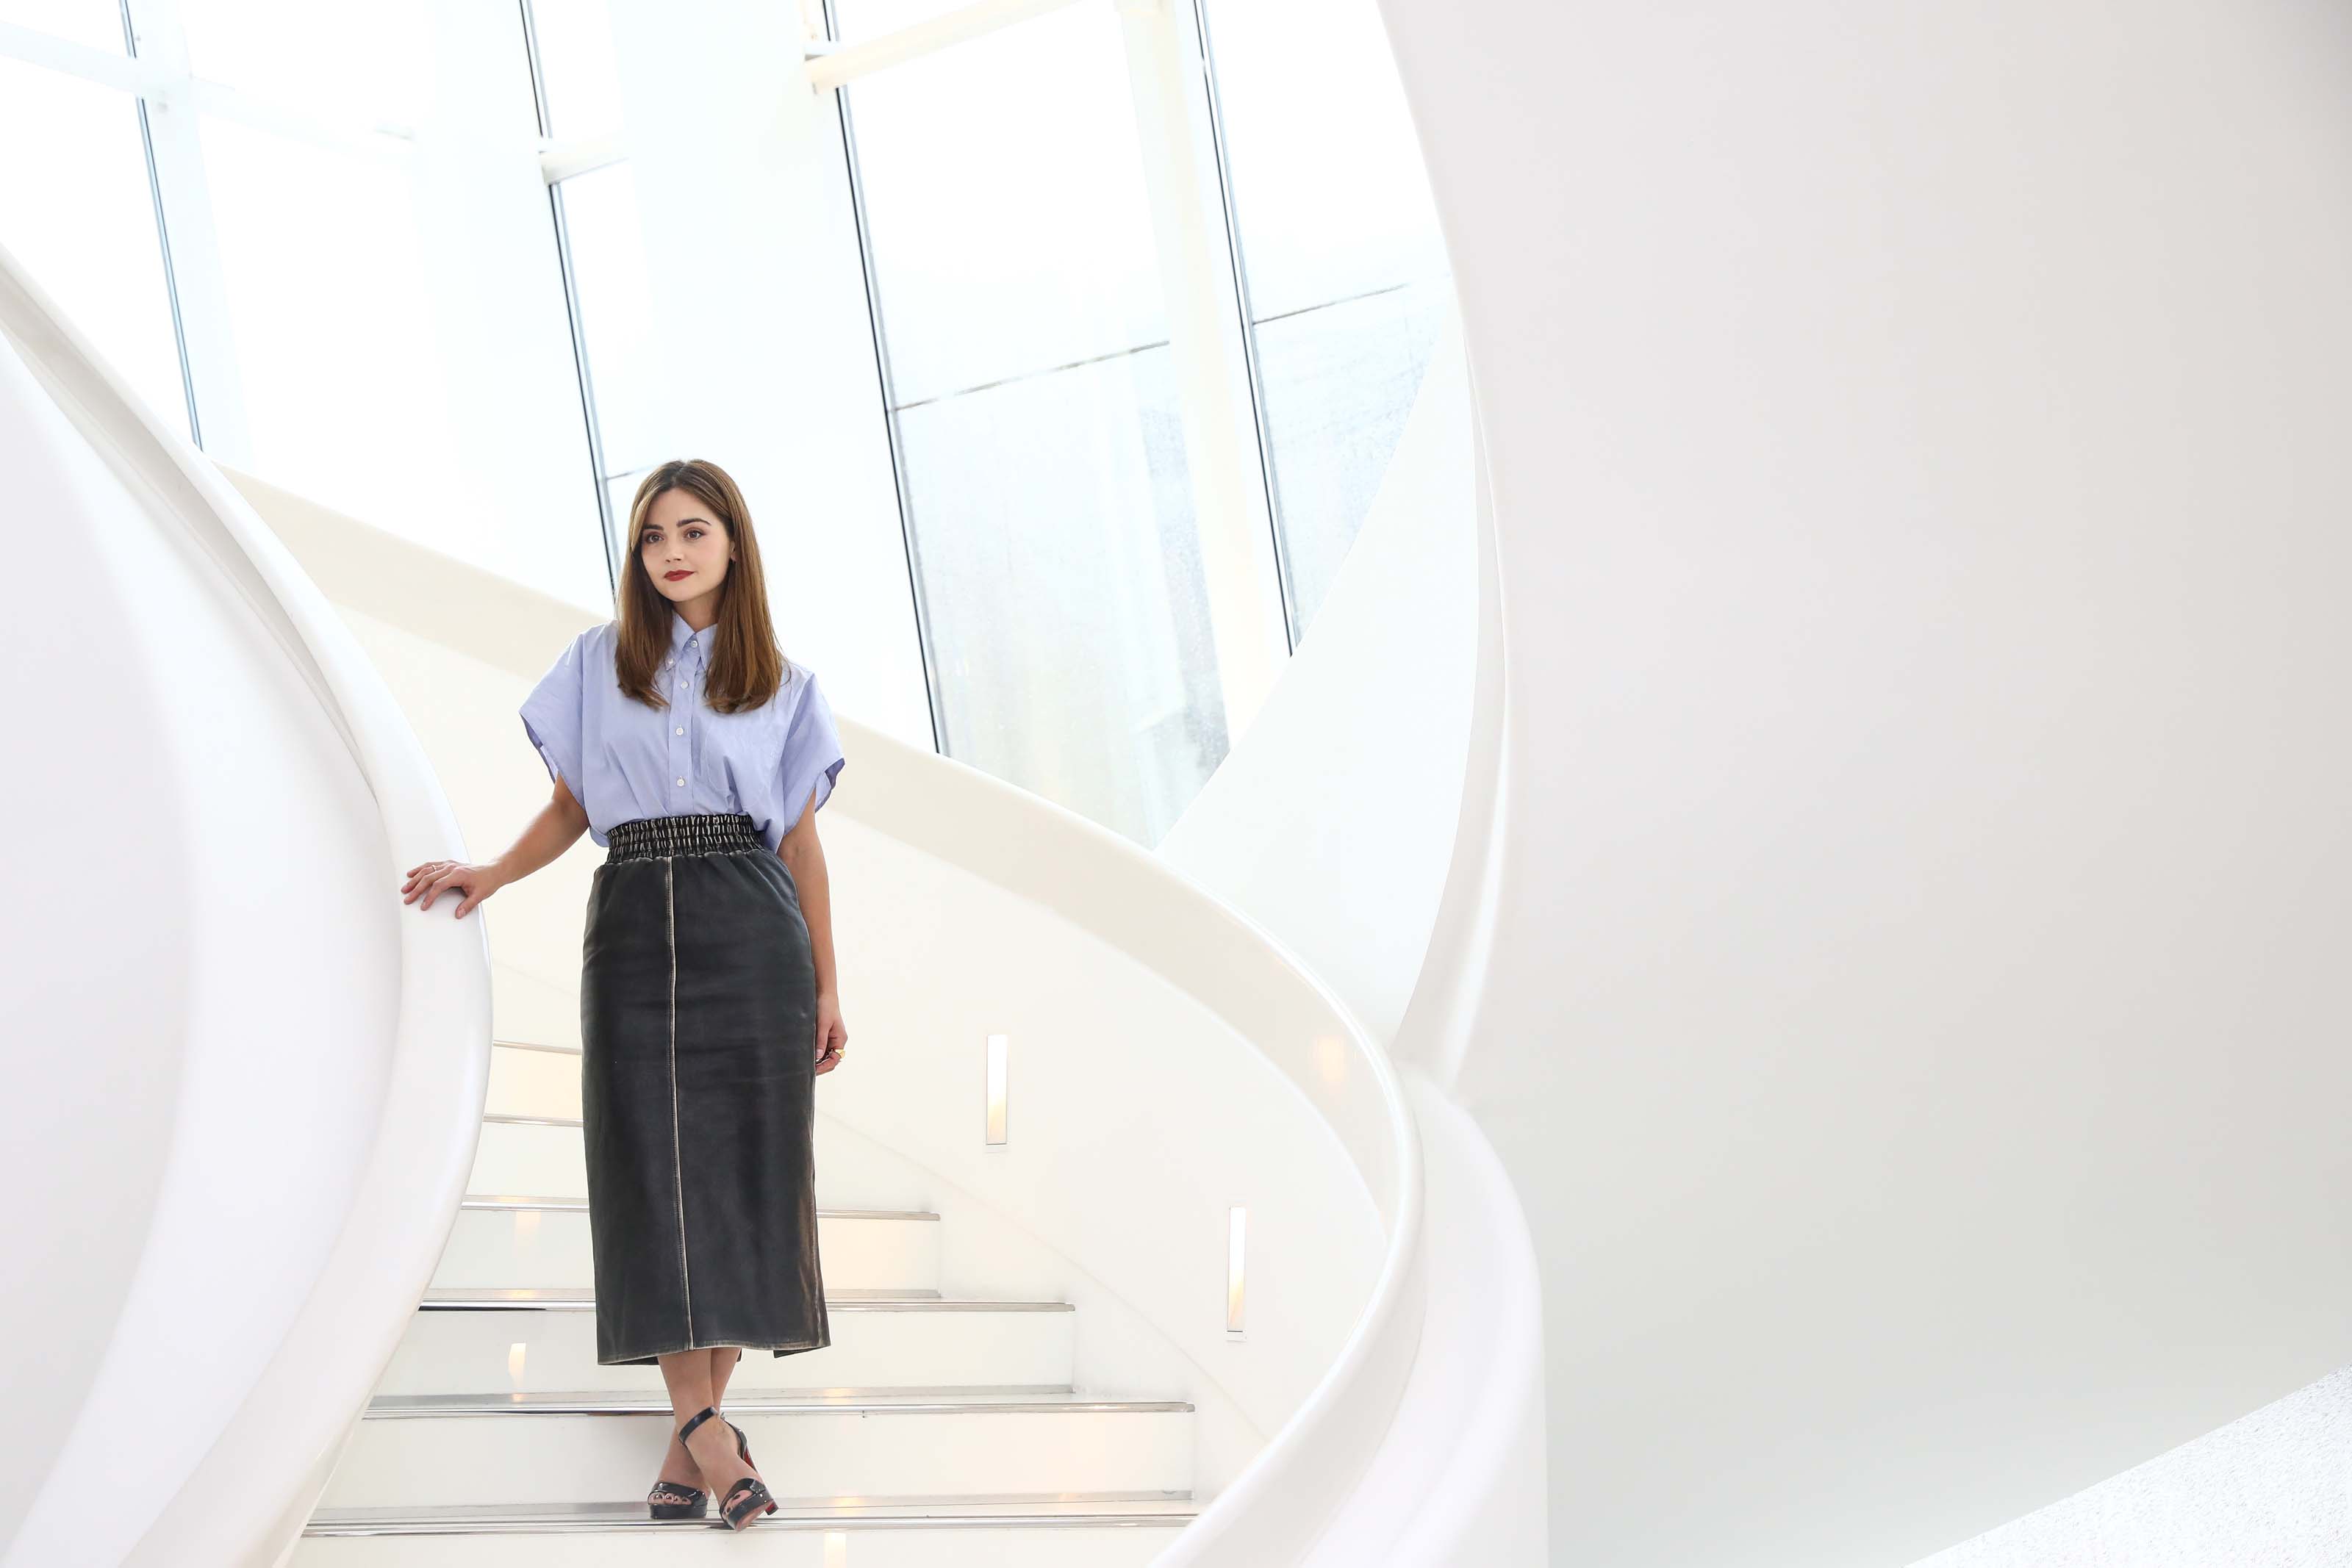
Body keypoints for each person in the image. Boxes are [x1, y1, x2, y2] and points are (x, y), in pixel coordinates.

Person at [398, 457, 849, 1531]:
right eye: (653, 537)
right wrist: (493, 871)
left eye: (693, 531)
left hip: (753, 924)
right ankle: (711, 1437)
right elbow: (570, 804)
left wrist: (830, 984)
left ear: (733, 543)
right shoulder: (599, 664)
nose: (672, 552)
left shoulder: (783, 685)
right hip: (637, 914)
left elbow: (801, 844)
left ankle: (690, 1440)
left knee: (740, 1181)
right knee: (651, 1174)